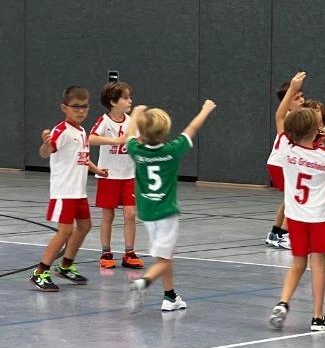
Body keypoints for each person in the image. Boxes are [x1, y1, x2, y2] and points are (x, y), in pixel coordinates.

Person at [267, 74, 325, 331]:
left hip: (294, 217)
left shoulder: (285, 146)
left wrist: (292, 88)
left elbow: (279, 118)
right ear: (317, 130)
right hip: (317, 219)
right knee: (317, 267)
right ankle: (317, 317)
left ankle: (283, 302)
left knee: (297, 264)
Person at [124, 100, 217, 312]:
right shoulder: (173, 150)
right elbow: (192, 128)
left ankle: (170, 296)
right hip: (166, 213)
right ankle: (143, 283)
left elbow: (128, 135)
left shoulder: (136, 150)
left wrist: (136, 113)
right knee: (164, 260)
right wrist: (205, 110)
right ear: (165, 131)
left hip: (147, 212)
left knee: (164, 256)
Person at [29, 86, 109, 292]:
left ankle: (65, 266)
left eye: (84, 107)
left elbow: (82, 157)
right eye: (76, 107)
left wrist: (96, 170)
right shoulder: (61, 131)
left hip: (79, 191)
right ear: (64, 107)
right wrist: (45, 144)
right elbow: (46, 152)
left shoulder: (82, 131)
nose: (81, 111)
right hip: (64, 192)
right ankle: (40, 272)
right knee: (65, 231)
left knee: (84, 226)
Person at [89, 80, 143, 270]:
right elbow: (91, 138)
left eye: (130, 97)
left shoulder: (132, 122)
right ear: (113, 102)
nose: (130, 101)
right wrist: (115, 140)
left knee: (130, 214)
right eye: (125, 98)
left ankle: (129, 252)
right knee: (108, 216)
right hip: (109, 176)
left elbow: (138, 142)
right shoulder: (104, 121)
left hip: (128, 175)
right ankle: (106, 252)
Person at [265, 80, 306, 250]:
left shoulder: (294, 117)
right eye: (296, 98)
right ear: (287, 104)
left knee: (288, 200)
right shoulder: (290, 119)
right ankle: (285, 235)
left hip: (276, 163)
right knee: (294, 201)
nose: (302, 100)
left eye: (302, 96)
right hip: (282, 165)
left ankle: (275, 233)